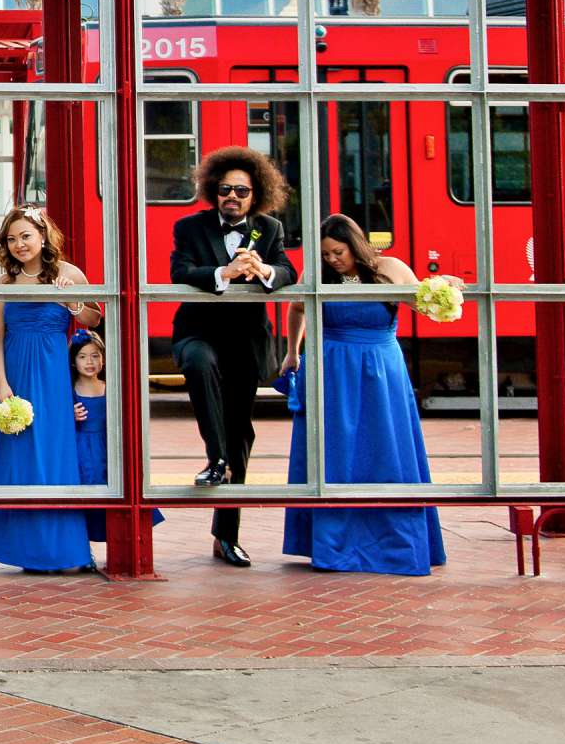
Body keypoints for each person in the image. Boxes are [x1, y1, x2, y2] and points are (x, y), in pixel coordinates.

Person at [279, 216, 447, 575]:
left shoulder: (391, 268)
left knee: (386, 448)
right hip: (332, 370)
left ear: (354, 244)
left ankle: (393, 544)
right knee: (334, 453)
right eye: (325, 255)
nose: (332, 260)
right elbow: (297, 307)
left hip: (381, 371)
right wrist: (293, 352)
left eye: (338, 252)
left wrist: (444, 291)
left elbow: (423, 304)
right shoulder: (319, 272)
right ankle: (332, 545)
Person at [170, 146, 298, 569]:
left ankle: (227, 536)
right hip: (198, 332)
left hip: (245, 341)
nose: (232, 197)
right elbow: (180, 271)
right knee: (198, 363)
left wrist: (261, 270)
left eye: (241, 191)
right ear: (213, 190)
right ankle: (215, 457)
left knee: (241, 432)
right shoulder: (190, 228)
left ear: (255, 193)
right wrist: (223, 273)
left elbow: (287, 272)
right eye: (225, 189)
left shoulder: (270, 228)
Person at [0, 205, 100, 573]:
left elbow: (96, 318)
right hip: (16, 375)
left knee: (55, 457)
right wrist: (1, 382)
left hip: (52, 379)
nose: (19, 244)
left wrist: (74, 304)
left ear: (43, 236)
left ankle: (63, 549)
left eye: (26, 236)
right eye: (12, 238)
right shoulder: (5, 283)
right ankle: (25, 551)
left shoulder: (69, 274)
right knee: (20, 461)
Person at [69, 329, 161, 546]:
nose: (89, 362)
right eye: (82, 356)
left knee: (114, 489)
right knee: (86, 493)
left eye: (95, 356)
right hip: (82, 450)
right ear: (73, 362)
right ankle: (84, 548)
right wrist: (69, 415)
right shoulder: (70, 390)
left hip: (107, 449)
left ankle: (120, 540)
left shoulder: (109, 387)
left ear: (103, 359)